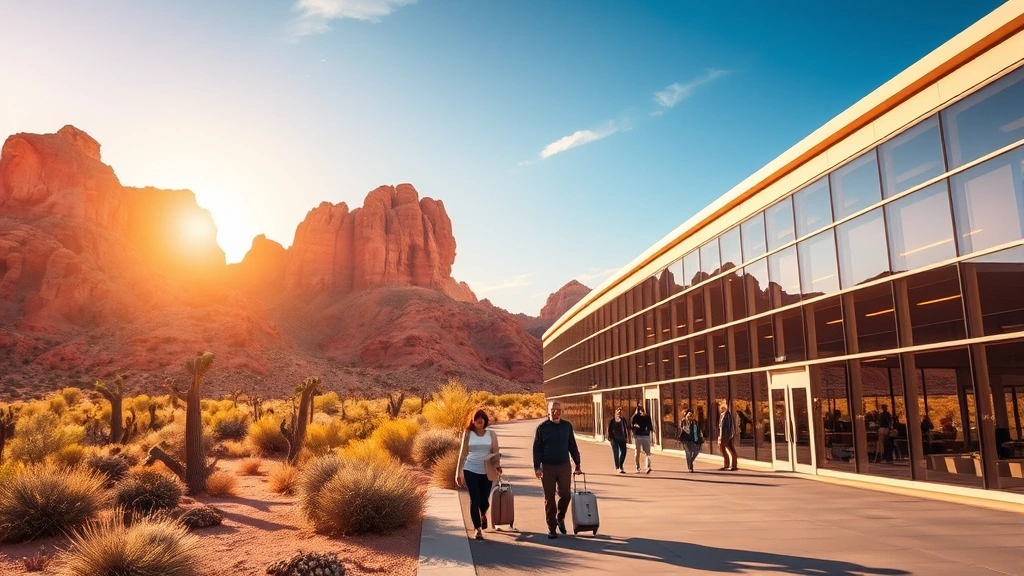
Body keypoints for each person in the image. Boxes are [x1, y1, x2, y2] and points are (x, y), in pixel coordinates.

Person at [533, 401, 582, 539]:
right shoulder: (542, 428)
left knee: (566, 495)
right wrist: (537, 467)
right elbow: (537, 449)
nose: (556, 412)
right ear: (548, 411)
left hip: (564, 466)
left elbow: (572, 445)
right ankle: (552, 527)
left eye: (559, 409)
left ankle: (560, 517)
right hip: (547, 467)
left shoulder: (566, 426)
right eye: (553, 410)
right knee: (549, 498)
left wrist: (577, 463)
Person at [455, 409, 500, 541]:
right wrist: (459, 472)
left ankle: (483, 514)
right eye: (477, 418)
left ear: (485, 420)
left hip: (487, 471)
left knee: (484, 501)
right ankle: (478, 529)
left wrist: (498, 467)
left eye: (482, 417)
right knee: (474, 499)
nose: (479, 420)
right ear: (473, 421)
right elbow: (463, 454)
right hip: (470, 469)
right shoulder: (468, 434)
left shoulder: (491, 434)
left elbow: (496, 452)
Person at [631, 405, 653, 474]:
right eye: (640, 410)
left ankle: (648, 466)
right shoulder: (635, 417)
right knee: (637, 452)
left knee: (647, 452)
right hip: (638, 436)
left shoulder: (647, 417)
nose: (641, 412)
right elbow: (631, 425)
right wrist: (635, 426)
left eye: (642, 410)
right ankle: (638, 467)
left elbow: (650, 426)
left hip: (646, 436)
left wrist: (650, 431)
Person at [607, 407, 630, 474]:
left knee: (624, 452)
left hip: (622, 439)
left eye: (620, 412)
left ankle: (621, 464)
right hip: (615, 440)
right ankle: (618, 467)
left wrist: (626, 437)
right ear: (616, 413)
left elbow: (626, 428)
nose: (619, 413)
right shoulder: (612, 421)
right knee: (616, 453)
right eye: (618, 412)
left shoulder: (623, 420)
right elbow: (609, 430)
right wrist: (611, 439)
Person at [718, 402, 737, 471]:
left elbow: (729, 427)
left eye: (721, 408)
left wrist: (727, 437)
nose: (720, 409)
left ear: (724, 408)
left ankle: (734, 465)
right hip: (722, 436)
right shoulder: (722, 415)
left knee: (731, 451)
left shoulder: (727, 415)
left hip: (727, 436)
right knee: (723, 450)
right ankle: (726, 464)